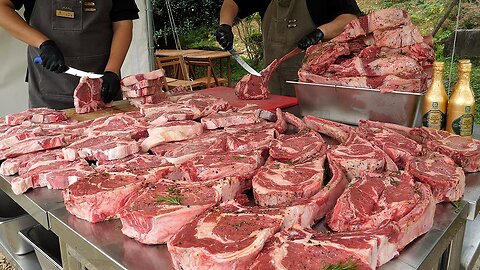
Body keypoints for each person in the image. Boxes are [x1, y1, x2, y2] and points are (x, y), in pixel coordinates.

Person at [0, 0, 139, 109]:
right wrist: (43, 43)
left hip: (101, 88)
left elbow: (123, 24)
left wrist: (112, 71)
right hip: (49, 90)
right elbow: (2, 8)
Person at [216, 0, 362, 96]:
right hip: (272, 87)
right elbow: (231, 3)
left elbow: (350, 19)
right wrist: (225, 25)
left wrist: (321, 32)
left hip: (314, 89)